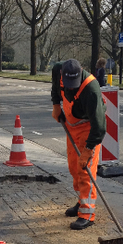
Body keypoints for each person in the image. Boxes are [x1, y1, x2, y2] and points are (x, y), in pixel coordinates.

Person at [51, 59, 106, 230]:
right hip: (71, 126)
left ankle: (87, 214)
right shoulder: (57, 70)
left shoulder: (91, 89)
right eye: (68, 84)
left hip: (88, 130)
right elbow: (55, 88)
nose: (71, 88)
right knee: (74, 167)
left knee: (85, 171)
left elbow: (99, 127)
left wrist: (88, 150)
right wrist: (56, 104)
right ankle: (81, 201)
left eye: (74, 84)